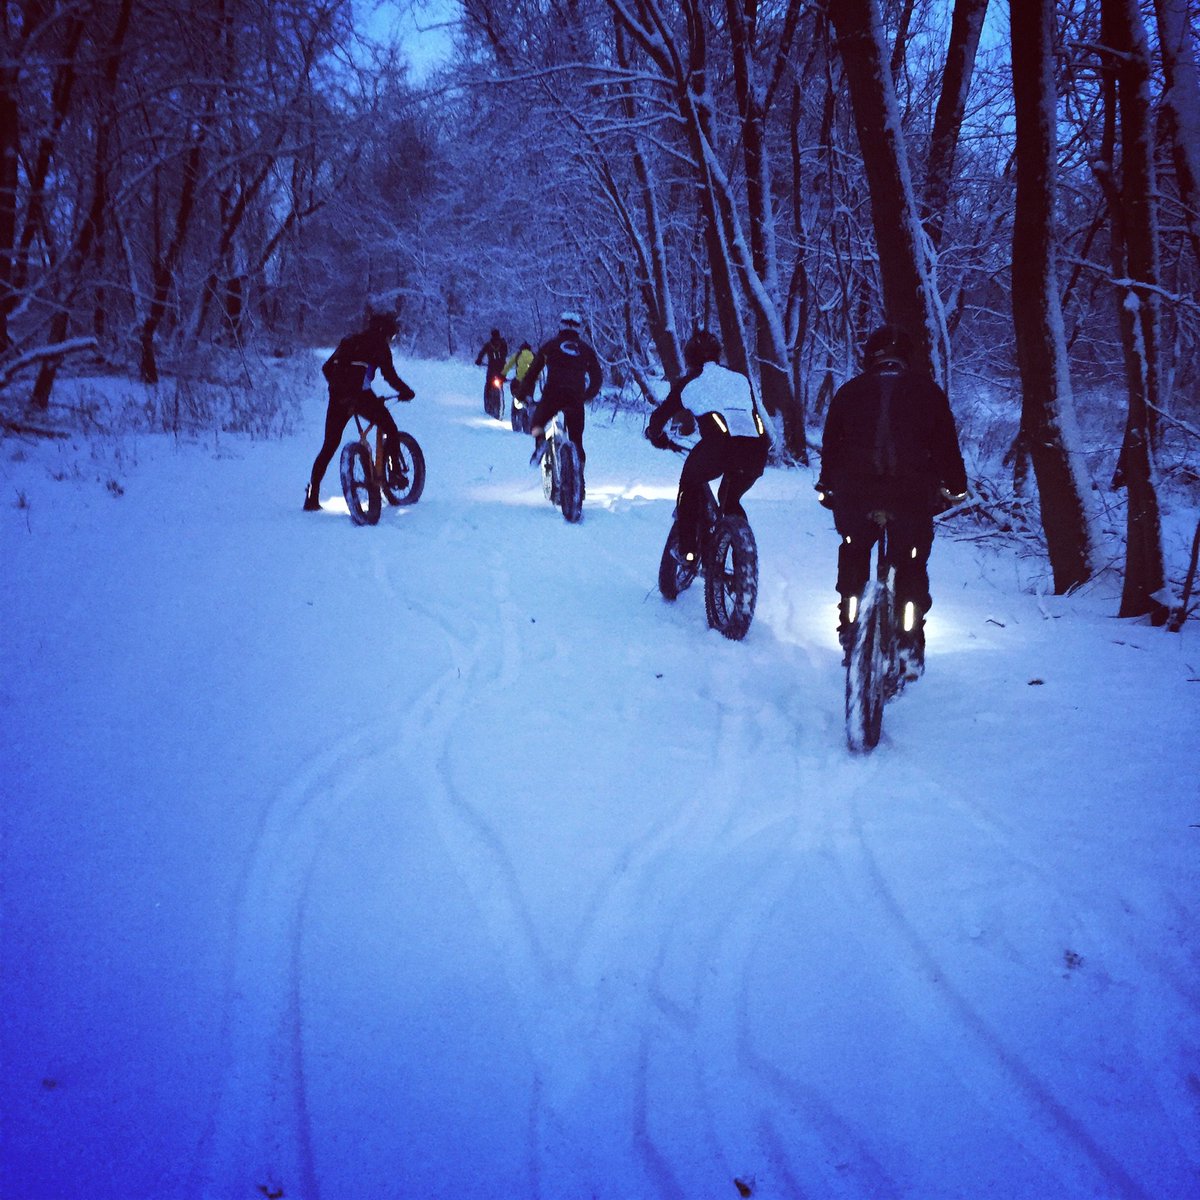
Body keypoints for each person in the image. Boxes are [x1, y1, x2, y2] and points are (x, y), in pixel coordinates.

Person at [815, 323, 967, 677]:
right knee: (911, 564)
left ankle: (851, 628)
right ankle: (908, 644)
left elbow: (831, 445)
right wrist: (955, 488)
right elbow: (947, 447)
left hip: (854, 494)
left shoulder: (849, 392)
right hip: (910, 497)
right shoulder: (928, 392)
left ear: (871, 357)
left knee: (854, 551)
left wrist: (828, 485)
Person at [645, 328, 770, 564]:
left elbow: (660, 417)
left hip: (719, 448)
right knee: (729, 499)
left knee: (689, 483)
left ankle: (688, 551)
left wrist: (655, 435)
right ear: (717, 354)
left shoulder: (690, 382)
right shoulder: (739, 379)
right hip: (756, 450)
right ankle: (743, 557)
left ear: (689, 358)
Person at [304, 310, 415, 511]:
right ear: (385, 332)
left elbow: (326, 368)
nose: (391, 340)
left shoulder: (350, 341)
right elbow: (390, 376)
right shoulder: (379, 345)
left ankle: (312, 496)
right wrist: (406, 391)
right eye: (392, 335)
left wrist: (340, 390)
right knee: (390, 427)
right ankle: (395, 474)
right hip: (361, 397)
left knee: (329, 446)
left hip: (338, 398)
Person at [517, 311, 602, 471]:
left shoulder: (550, 346)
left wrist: (524, 393)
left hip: (553, 395)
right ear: (578, 328)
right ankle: (579, 474)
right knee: (576, 439)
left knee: (537, 422)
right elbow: (597, 377)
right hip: (575, 397)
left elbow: (532, 373)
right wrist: (587, 395)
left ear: (561, 326)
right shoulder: (586, 350)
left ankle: (540, 443)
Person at [475, 328, 508, 416]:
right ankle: (501, 402)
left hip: (491, 367)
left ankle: (488, 403)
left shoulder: (488, 344)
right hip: (502, 367)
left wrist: (479, 360)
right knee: (501, 383)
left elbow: (482, 353)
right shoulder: (503, 343)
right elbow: (506, 354)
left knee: (488, 384)